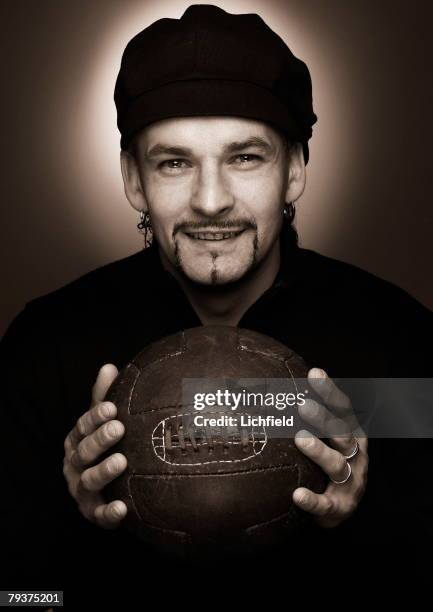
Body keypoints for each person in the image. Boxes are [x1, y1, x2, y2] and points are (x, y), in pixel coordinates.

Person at [1, 4, 432, 596]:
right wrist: (69, 532)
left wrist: (364, 520)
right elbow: (18, 598)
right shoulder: (44, 348)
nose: (210, 200)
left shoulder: (397, 341)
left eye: (245, 157)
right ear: (133, 179)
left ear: (296, 169)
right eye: (175, 162)